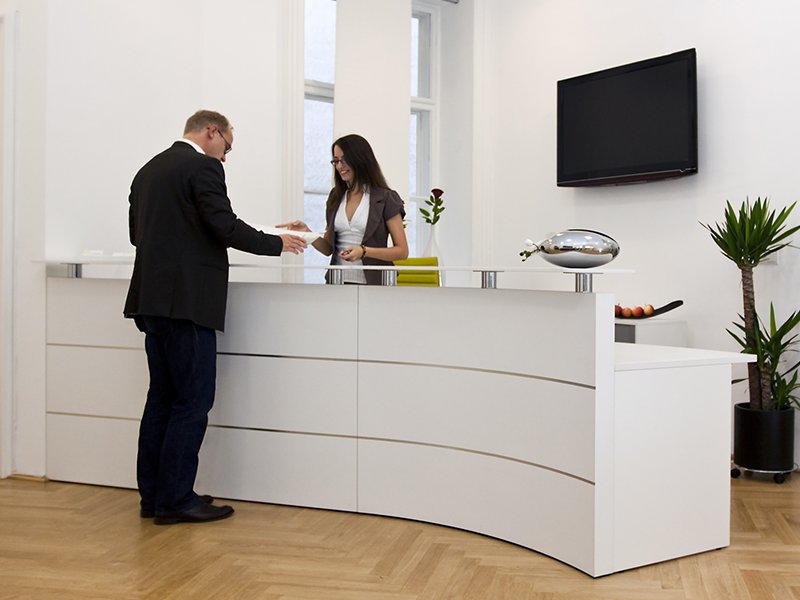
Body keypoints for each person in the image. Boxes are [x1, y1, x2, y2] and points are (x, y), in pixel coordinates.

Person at [123, 110, 307, 525]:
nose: (225, 157)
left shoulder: (148, 171)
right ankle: (176, 500)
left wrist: (257, 230)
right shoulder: (203, 166)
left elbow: (143, 234)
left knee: (162, 399)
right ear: (212, 132)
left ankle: (154, 496)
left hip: (150, 302)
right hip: (187, 303)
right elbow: (223, 227)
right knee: (192, 401)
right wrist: (277, 244)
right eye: (228, 147)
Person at [279, 134, 408, 284]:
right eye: (336, 161)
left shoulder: (386, 198)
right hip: (338, 283)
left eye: (344, 160)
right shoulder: (336, 196)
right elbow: (328, 248)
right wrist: (307, 233)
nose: (339, 166)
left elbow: (402, 251)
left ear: (359, 159)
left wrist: (364, 252)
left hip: (374, 285)